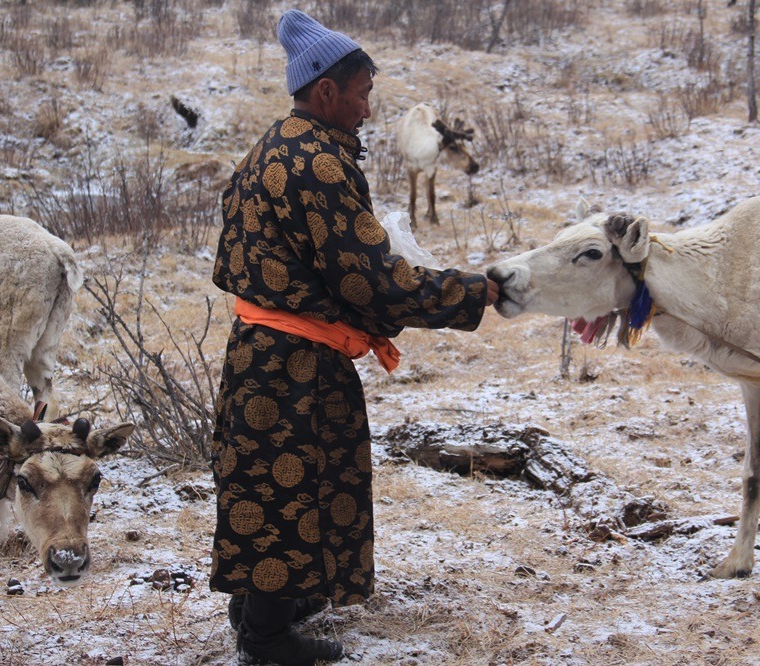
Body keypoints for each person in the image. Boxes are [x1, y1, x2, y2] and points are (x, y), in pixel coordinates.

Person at [208, 9, 498, 665]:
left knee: (267, 487)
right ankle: (267, 637)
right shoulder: (319, 164)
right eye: (363, 93)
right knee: (290, 489)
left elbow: (229, 259)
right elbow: (375, 281)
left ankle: (263, 604)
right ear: (327, 91)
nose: (369, 108)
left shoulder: (270, 146)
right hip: (295, 366)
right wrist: (473, 292)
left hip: (259, 351)